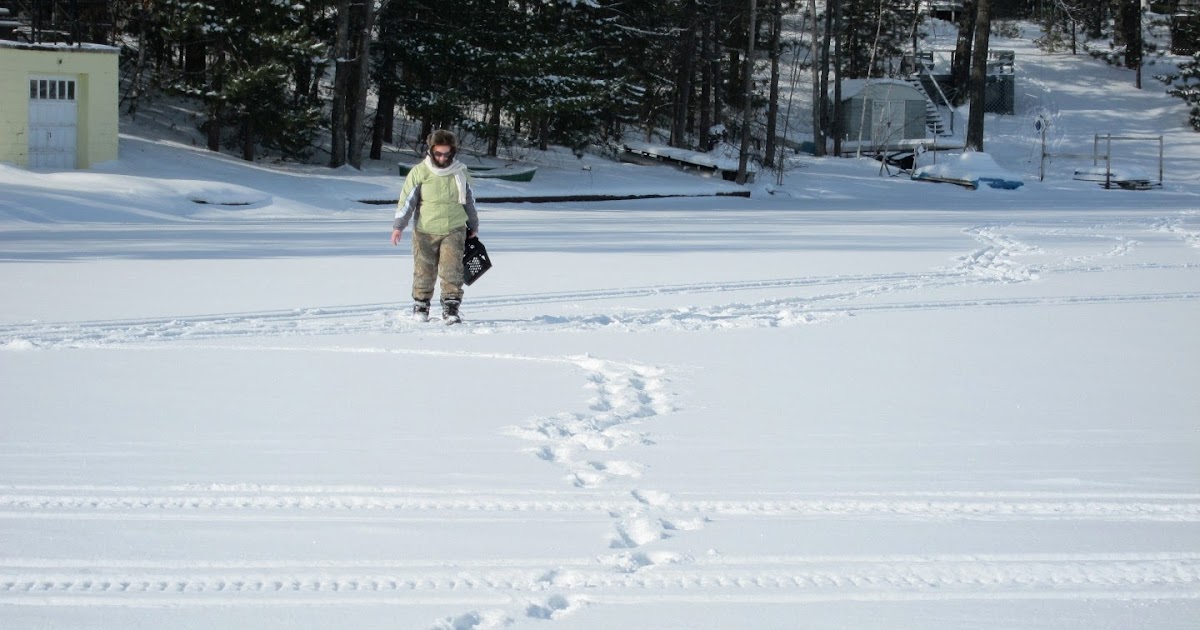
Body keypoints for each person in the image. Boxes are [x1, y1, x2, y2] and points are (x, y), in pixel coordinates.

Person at [391, 129, 479, 323]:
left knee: (452, 270)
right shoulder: (420, 172)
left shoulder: (460, 171)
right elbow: (407, 201)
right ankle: (421, 305)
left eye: (447, 154)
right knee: (424, 269)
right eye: (438, 153)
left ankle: (451, 308)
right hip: (425, 230)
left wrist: (473, 224)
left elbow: (469, 201)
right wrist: (399, 226)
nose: (442, 158)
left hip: (453, 229)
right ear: (431, 151)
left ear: (453, 152)